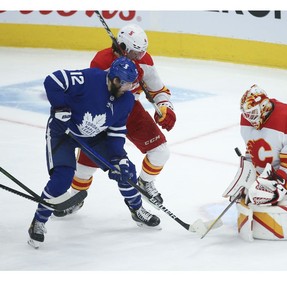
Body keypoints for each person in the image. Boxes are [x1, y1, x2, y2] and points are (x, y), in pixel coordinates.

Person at [28, 57, 161, 249]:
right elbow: (53, 80)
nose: (128, 88)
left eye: (131, 84)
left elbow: (116, 132)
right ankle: (38, 221)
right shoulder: (89, 78)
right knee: (62, 178)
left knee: (126, 171)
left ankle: (137, 209)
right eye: (125, 84)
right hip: (62, 132)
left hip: (94, 136)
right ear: (114, 79)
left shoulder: (127, 100)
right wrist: (60, 107)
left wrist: (118, 157)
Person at [53, 23, 176, 217]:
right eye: (136, 53)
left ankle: (145, 182)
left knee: (161, 152)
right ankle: (75, 197)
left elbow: (158, 90)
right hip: (102, 113)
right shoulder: (101, 61)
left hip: (131, 109)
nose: (140, 57)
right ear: (123, 48)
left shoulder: (144, 61)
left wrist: (165, 107)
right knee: (85, 168)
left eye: (142, 52)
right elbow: (93, 93)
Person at [224, 84, 287, 206]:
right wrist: (247, 180)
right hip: (272, 173)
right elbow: (252, 153)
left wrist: (278, 184)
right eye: (246, 113)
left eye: (253, 113)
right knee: (251, 199)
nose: (249, 118)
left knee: (285, 204)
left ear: (264, 107)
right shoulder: (247, 120)